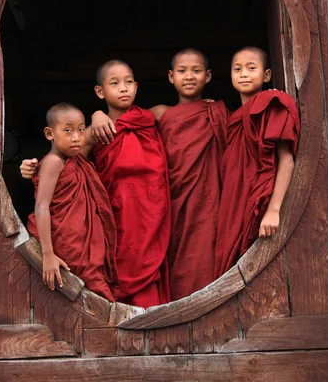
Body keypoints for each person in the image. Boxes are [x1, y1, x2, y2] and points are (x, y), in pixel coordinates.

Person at [21, 62, 171, 309]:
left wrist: (202, 103)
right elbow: (68, 161)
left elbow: (177, 113)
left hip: (152, 215)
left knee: (150, 272)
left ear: (136, 86)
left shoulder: (148, 118)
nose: (123, 88)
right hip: (113, 217)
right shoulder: (93, 132)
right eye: (114, 83)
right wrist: (33, 169)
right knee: (115, 272)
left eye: (128, 82)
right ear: (100, 92)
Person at [91, 49, 229, 300]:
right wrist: (96, 114)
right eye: (182, 71)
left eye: (196, 71)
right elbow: (82, 145)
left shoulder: (215, 113)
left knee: (201, 258)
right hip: (151, 208)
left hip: (197, 204)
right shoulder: (154, 114)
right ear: (170, 76)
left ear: (207, 76)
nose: (189, 77)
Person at [214, 47, 300, 278]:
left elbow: (287, 160)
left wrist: (273, 210)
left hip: (261, 205)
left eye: (251, 68)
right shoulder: (232, 119)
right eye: (237, 69)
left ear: (267, 75)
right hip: (234, 206)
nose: (244, 73)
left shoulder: (271, 104)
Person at [26, 102, 117, 302]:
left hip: (84, 245)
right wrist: (48, 254)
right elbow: (42, 206)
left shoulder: (76, 160)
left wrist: (98, 112)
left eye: (81, 130)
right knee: (96, 298)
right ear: (50, 134)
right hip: (67, 245)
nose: (76, 138)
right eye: (68, 131)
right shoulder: (53, 162)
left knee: (96, 295)